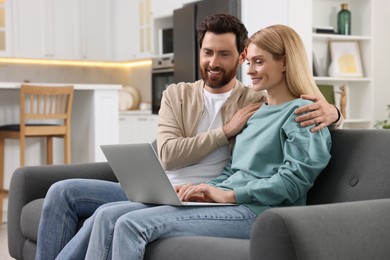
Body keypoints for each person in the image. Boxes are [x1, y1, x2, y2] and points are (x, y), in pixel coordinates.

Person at [36, 14, 340, 260]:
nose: (250, 70)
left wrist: (335, 112)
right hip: (221, 199)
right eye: (251, 62)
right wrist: (209, 188)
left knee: (129, 224)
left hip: (258, 210)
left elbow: (293, 181)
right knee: (107, 214)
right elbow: (234, 170)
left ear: (285, 62)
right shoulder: (256, 111)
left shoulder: (302, 112)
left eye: (256, 62)